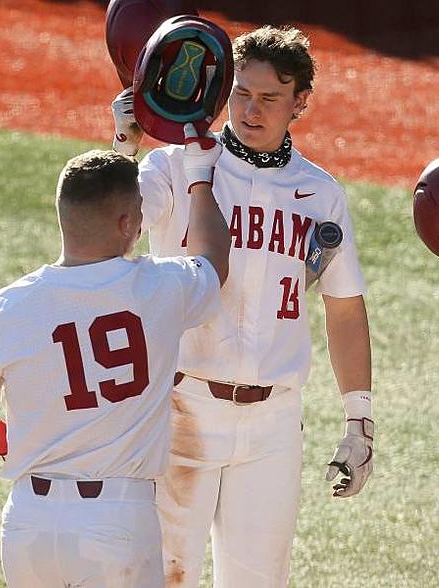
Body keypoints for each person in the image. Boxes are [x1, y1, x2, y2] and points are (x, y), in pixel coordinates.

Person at [111, 25, 373, 587]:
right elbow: (108, 235)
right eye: (241, 94)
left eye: (270, 98)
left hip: (274, 420)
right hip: (182, 407)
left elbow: (345, 306)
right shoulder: (175, 167)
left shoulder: (320, 192)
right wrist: (125, 146)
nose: (251, 110)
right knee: (160, 576)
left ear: (301, 102)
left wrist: (360, 421)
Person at [0, 134, 230, 587]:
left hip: (29, 524)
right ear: (129, 220)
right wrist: (200, 178)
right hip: (118, 523)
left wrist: (26, 438)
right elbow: (214, 261)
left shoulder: (8, 306)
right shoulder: (162, 287)